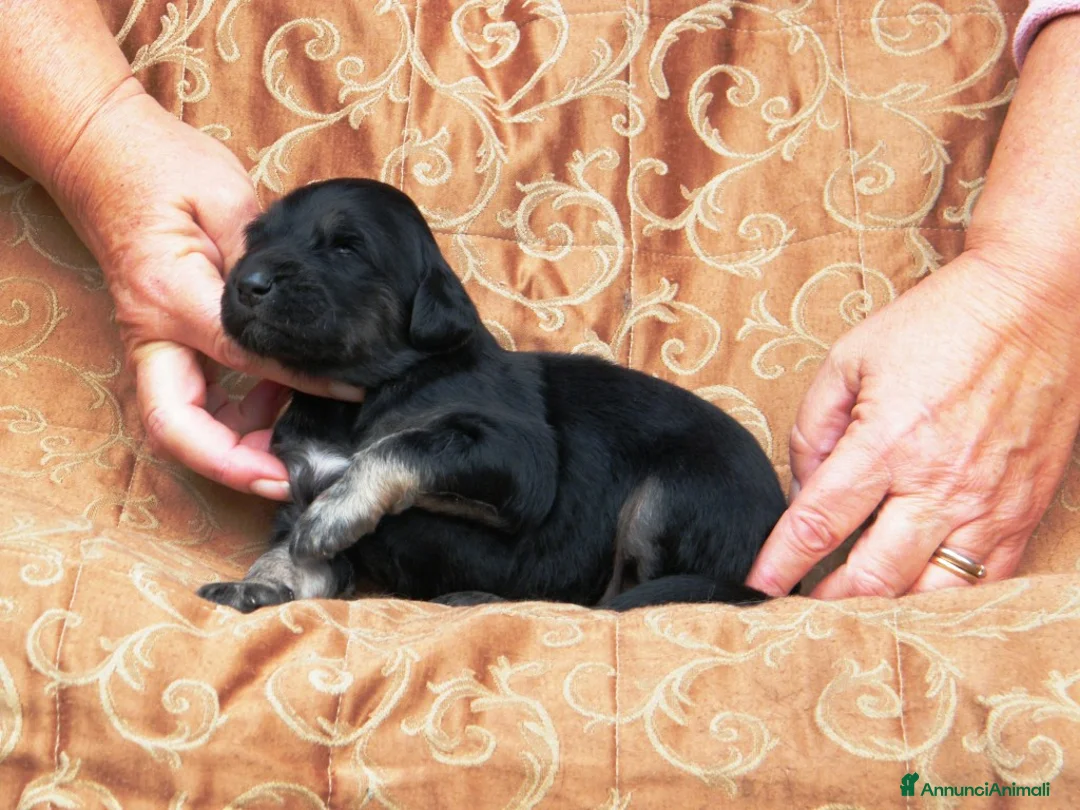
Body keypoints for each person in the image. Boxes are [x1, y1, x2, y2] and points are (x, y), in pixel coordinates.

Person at [1, 1, 1077, 599]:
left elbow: (503, 467)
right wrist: (95, 129)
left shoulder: (460, 381)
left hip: (921, 401)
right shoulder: (317, 414)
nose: (265, 271)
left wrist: (1035, 280)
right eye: (265, 251)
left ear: (430, 303)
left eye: (337, 254)